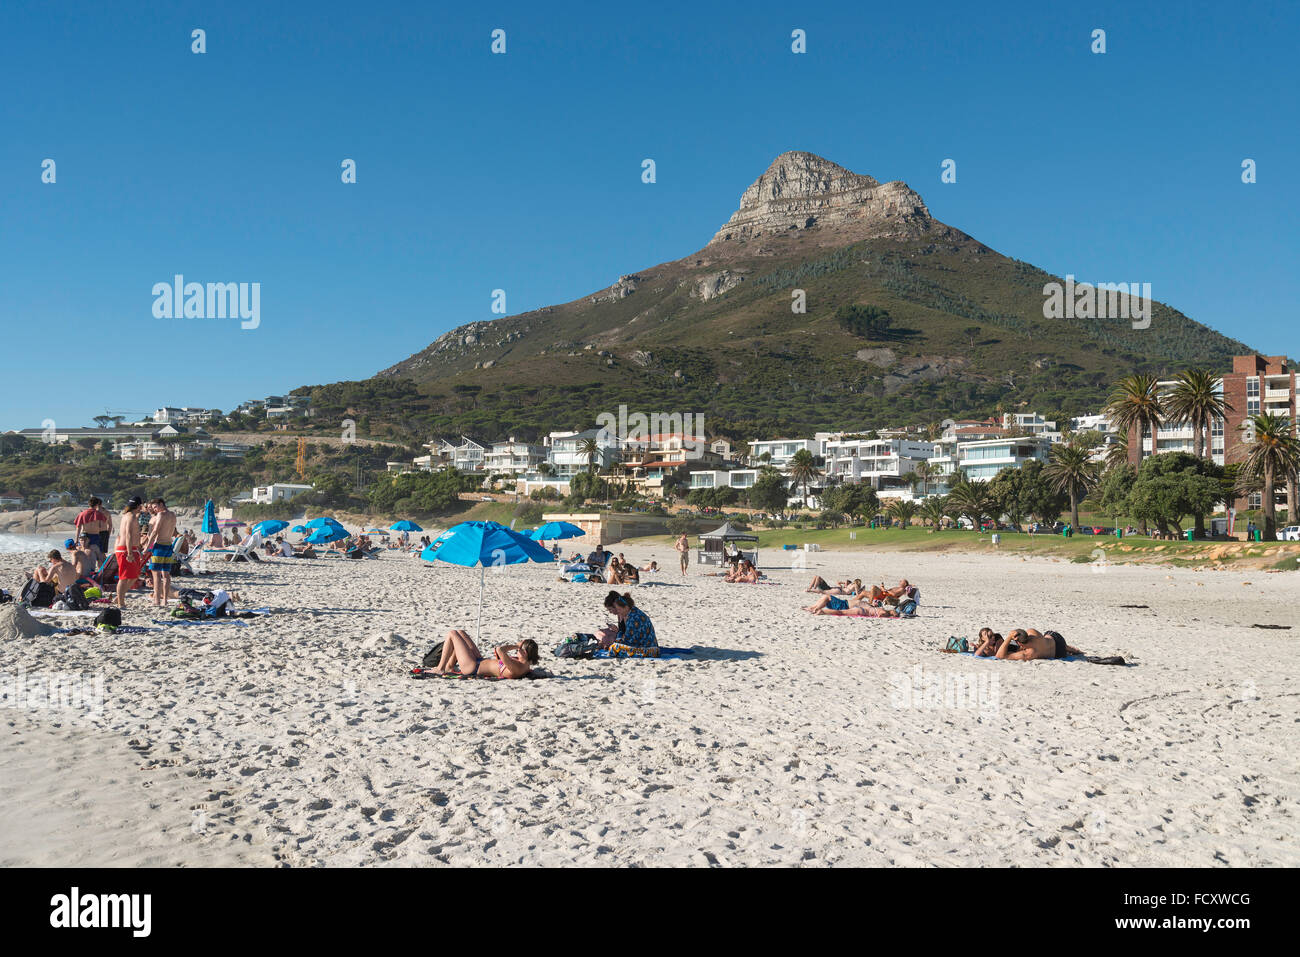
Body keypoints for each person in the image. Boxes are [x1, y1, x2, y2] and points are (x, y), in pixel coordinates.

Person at [429, 629, 538, 679]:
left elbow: (499, 650)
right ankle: (448, 667)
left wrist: (515, 645)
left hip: (472, 667)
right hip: (479, 661)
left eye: (519, 650)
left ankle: (441, 668)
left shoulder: (517, 667)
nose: (517, 651)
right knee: (461, 633)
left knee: (452, 633)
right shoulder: (525, 664)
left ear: (524, 653)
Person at [600, 591, 659, 657]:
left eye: (619, 609)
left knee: (614, 648)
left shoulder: (633, 618)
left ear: (626, 607)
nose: (618, 612)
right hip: (651, 649)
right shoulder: (633, 612)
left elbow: (629, 641)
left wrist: (618, 635)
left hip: (648, 651)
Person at [142, 498, 177, 607]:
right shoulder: (173, 515)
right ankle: (165, 600)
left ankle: (157, 600)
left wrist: (147, 547)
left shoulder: (161, 515)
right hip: (168, 546)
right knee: (166, 575)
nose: (155, 510)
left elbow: (155, 532)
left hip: (159, 546)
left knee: (156, 575)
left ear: (161, 504)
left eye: (155, 507)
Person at [114, 497, 146, 608]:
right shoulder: (131, 516)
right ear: (138, 506)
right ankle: (120, 602)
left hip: (130, 549)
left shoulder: (129, 515)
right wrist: (129, 553)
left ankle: (119, 596)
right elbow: (128, 535)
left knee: (134, 576)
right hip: (126, 549)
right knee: (124, 577)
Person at [993, 628, 1083, 660]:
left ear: (1019, 643)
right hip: (1058, 639)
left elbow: (999, 656)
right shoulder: (1031, 631)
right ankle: (1072, 649)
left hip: (1059, 654)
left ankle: (1068, 649)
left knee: (1046, 648)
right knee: (1047, 638)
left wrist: (1009, 637)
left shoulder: (1030, 653)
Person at [74, 497, 111, 563]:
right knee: (99, 556)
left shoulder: (82, 513)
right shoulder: (99, 514)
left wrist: (76, 539)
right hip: (95, 535)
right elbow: (102, 526)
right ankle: (102, 571)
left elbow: (78, 527)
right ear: (97, 505)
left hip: (84, 535)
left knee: (84, 554)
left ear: (89, 504)